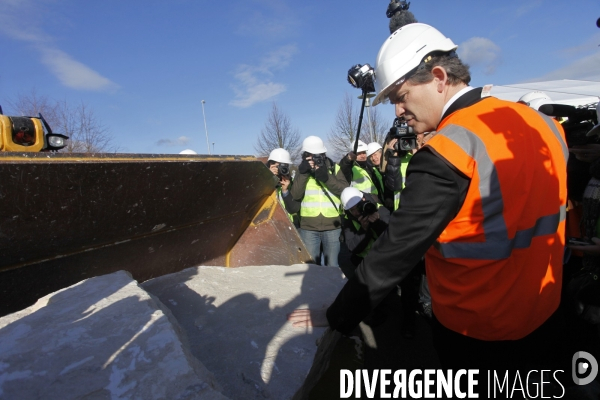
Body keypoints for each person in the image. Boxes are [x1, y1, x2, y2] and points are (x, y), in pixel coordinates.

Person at [289, 22, 568, 387]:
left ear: (438, 76)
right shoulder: (544, 125)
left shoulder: (450, 149)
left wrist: (338, 315)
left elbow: (396, 252)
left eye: (401, 97)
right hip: (546, 315)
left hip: (477, 333)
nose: (398, 111)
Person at [290, 136, 347, 267]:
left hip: (332, 225)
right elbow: (295, 195)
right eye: (311, 155)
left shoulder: (333, 167)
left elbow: (343, 190)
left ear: (323, 154)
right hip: (308, 227)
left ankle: (332, 288)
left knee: (332, 266)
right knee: (311, 268)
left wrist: (326, 177)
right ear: (305, 155)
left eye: (318, 155)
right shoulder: (302, 169)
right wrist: (303, 173)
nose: (315, 158)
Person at [266, 148, 300, 228]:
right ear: (271, 165)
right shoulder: (262, 180)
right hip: (270, 225)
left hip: (289, 224)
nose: (282, 169)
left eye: (285, 166)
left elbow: (293, 209)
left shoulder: (289, 182)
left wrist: (285, 190)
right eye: (279, 166)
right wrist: (269, 177)